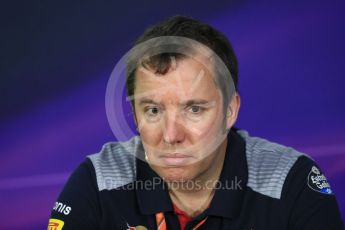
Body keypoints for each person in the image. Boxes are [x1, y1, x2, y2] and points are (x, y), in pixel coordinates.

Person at [48, 16, 344, 230]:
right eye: (152, 110)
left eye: (193, 109)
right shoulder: (98, 181)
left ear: (230, 110)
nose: (171, 135)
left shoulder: (291, 183)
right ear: (135, 116)